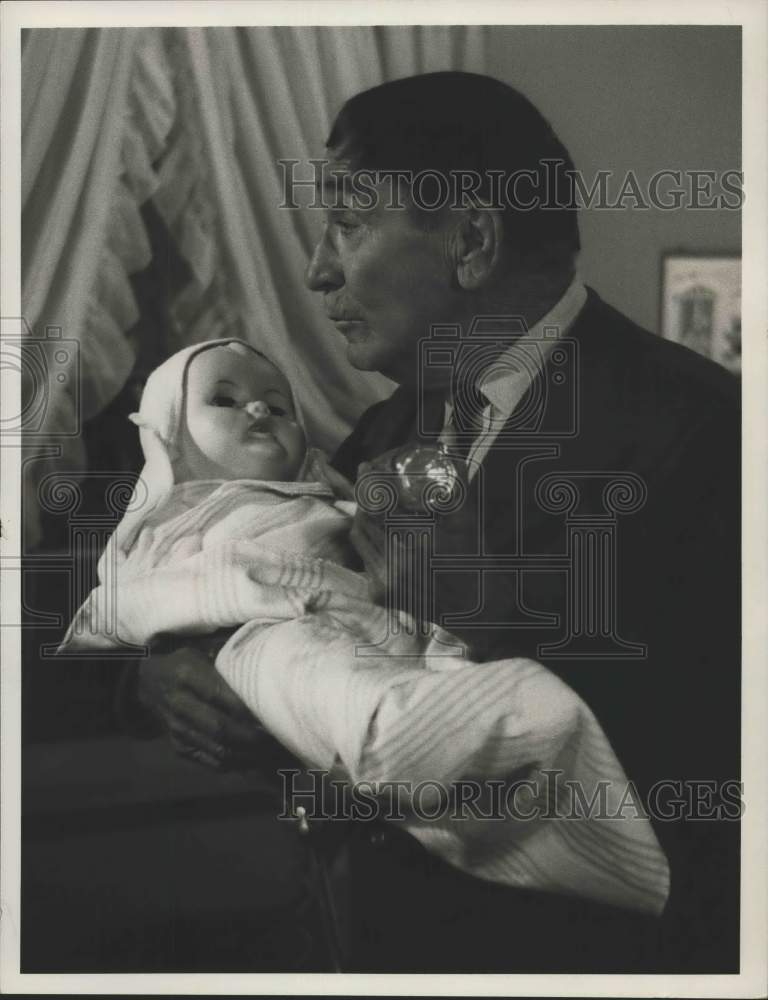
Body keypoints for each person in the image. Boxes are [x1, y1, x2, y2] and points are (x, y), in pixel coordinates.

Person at [134, 72, 740, 972]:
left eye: (347, 223)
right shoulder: (389, 424)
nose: (316, 270)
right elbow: (279, 601)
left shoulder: (706, 431)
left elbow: (718, 782)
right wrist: (167, 671)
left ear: (470, 239)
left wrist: (485, 622)